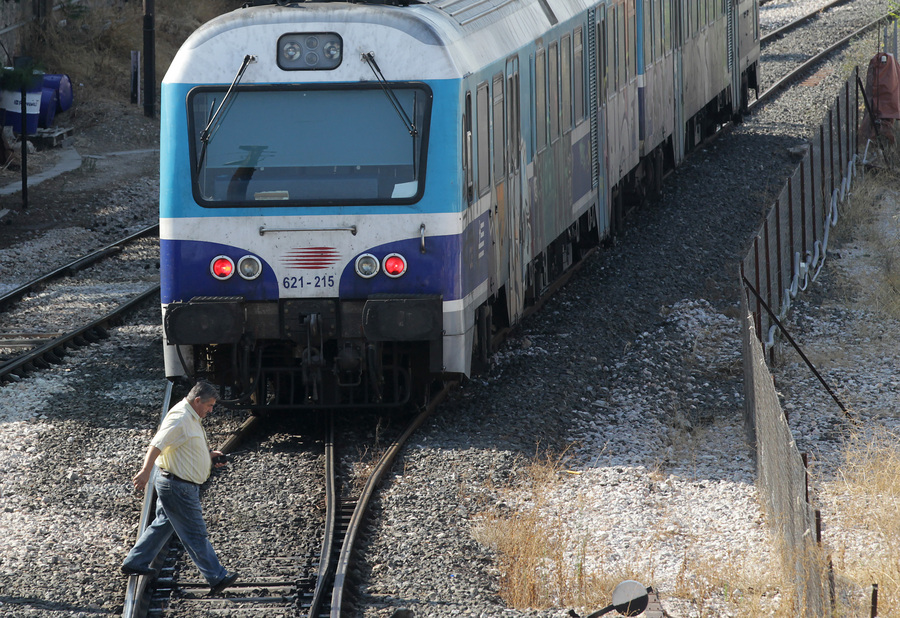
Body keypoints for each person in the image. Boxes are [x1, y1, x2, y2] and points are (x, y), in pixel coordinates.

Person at [121, 380, 238, 596]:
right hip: (178, 486)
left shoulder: (191, 415)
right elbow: (157, 444)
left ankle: (135, 561)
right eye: (209, 405)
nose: (211, 410)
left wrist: (208, 456)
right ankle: (216, 576)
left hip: (177, 483)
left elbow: (184, 445)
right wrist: (145, 472)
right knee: (195, 533)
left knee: (164, 524)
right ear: (197, 401)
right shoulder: (180, 417)